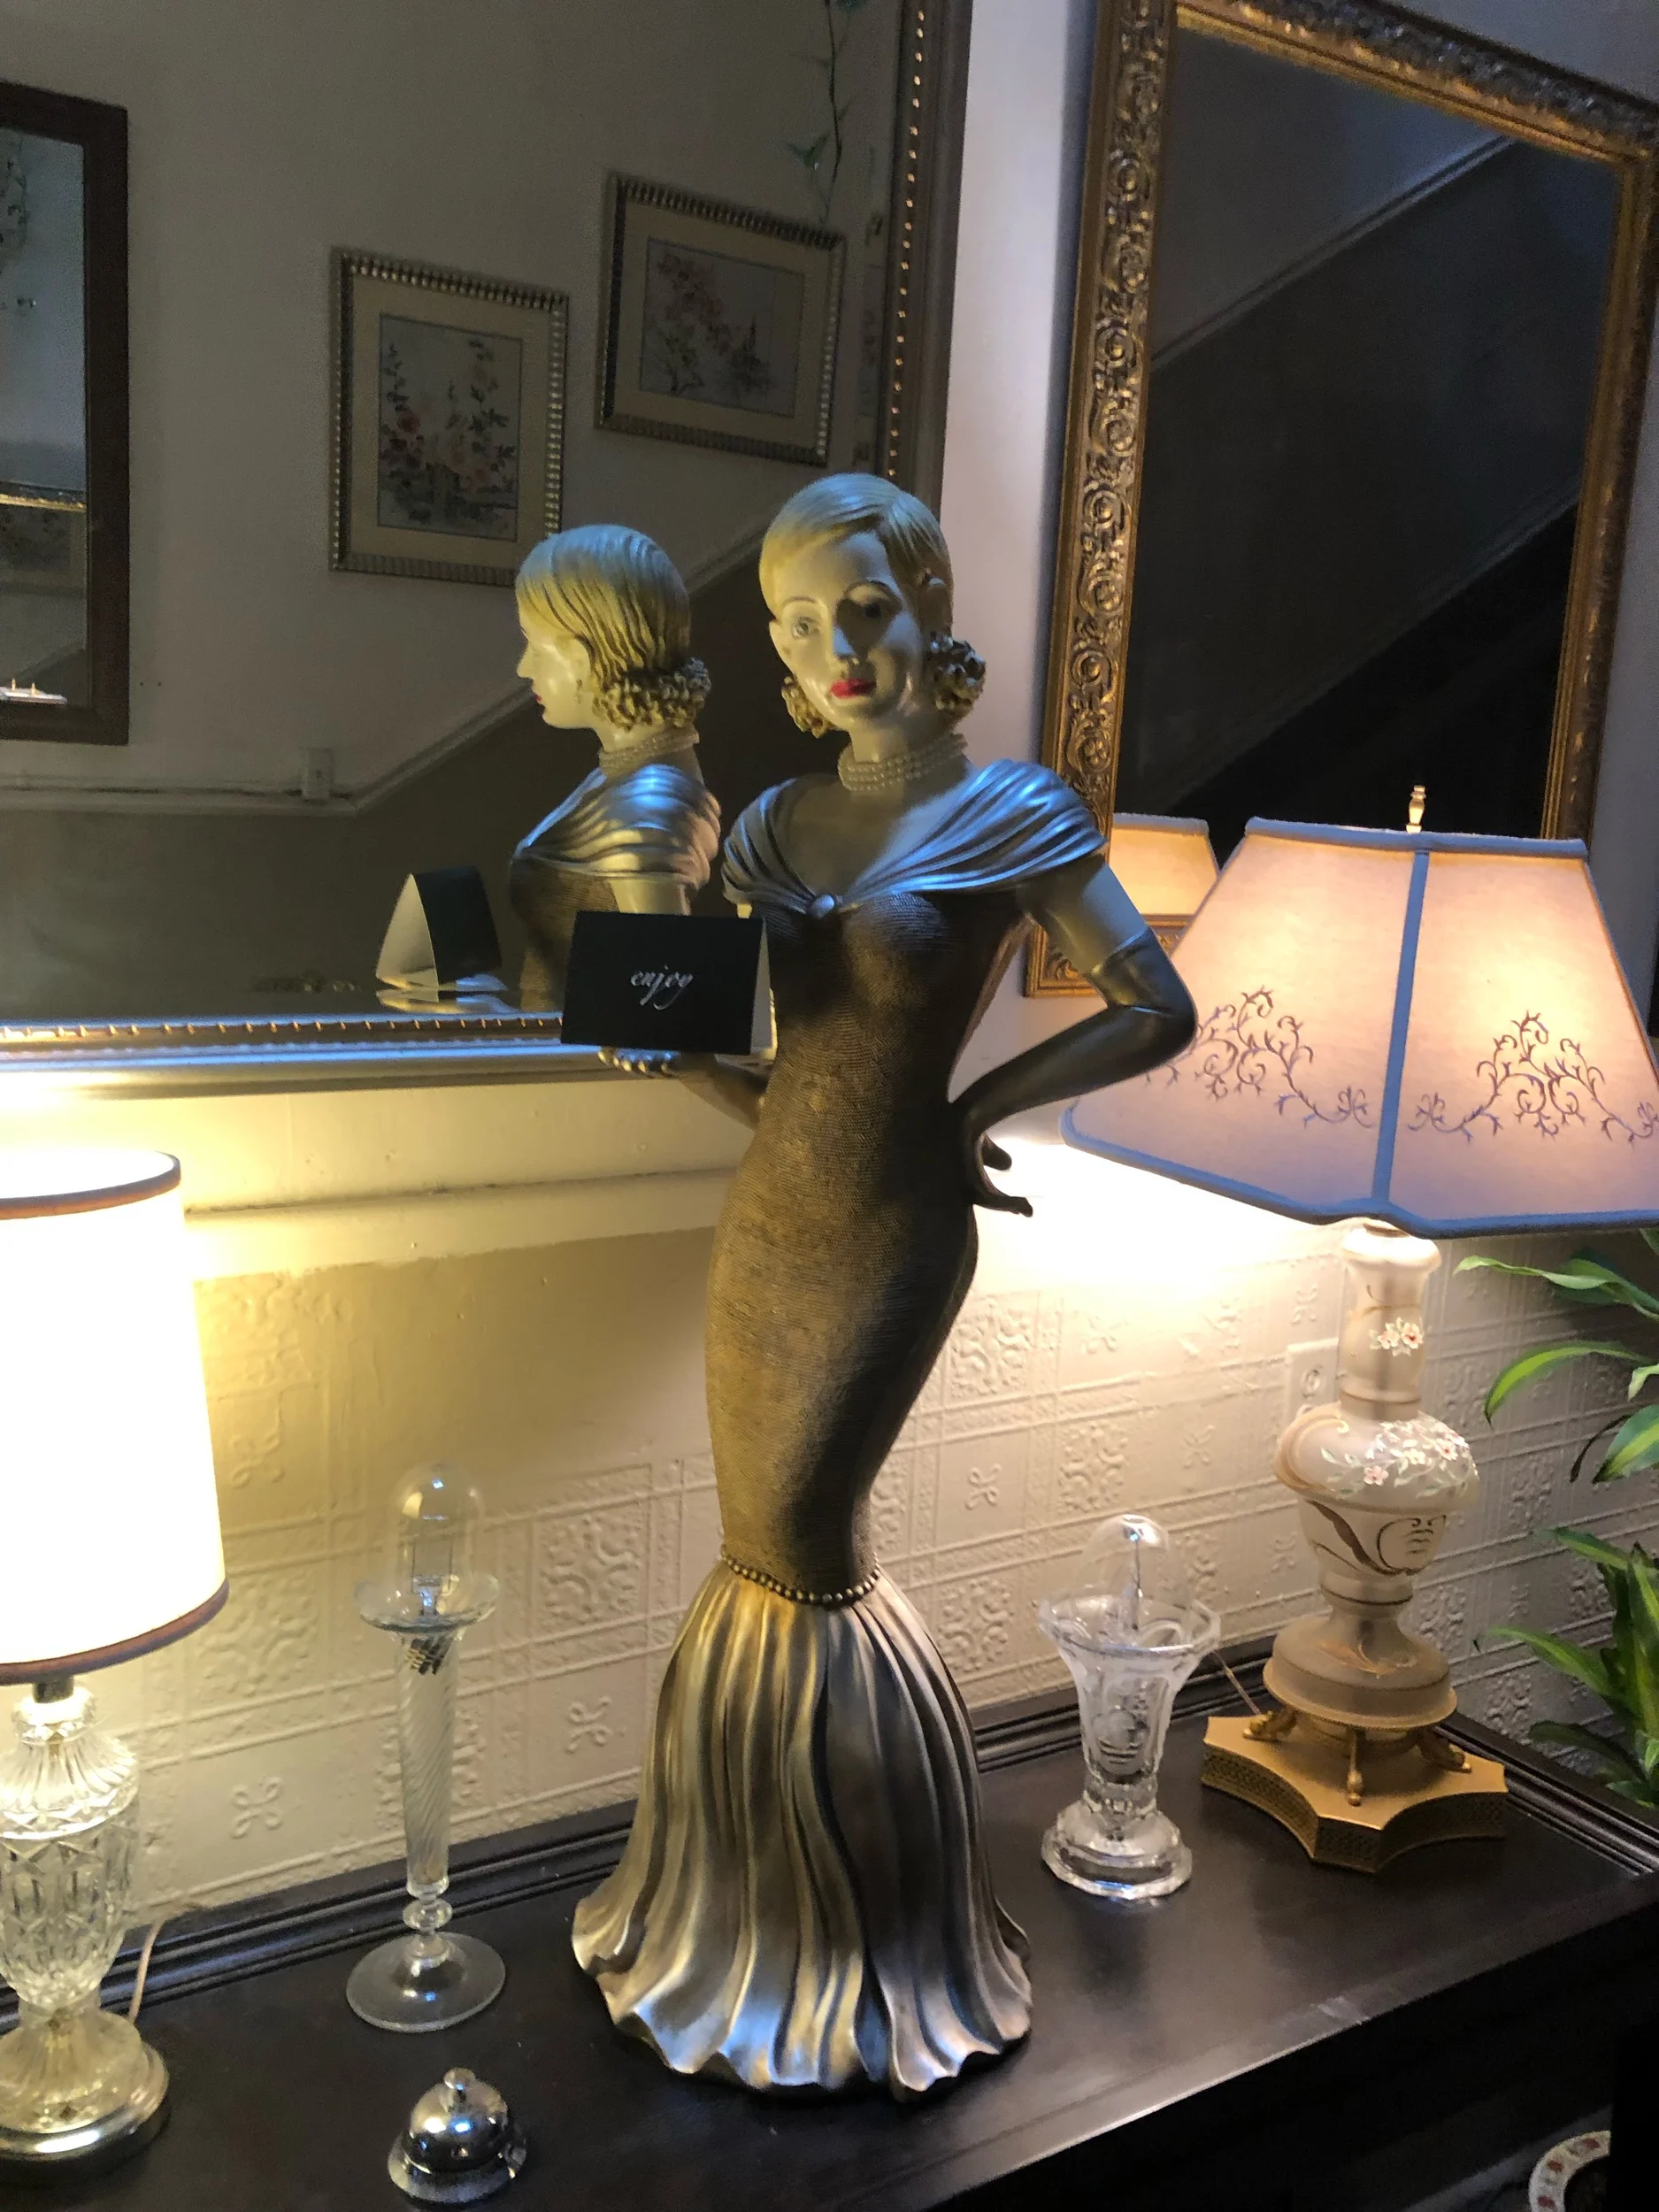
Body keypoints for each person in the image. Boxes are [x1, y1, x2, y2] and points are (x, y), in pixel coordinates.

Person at [573, 475, 1195, 2097]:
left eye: (862, 606)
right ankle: (720, 1918)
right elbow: (748, 1065)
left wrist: (977, 1106)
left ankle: (869, 1952)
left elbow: (1157, 1005)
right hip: (766, 1223)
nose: (836, 648)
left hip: (893, 1231)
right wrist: (639, 1028)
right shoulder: (769, 829)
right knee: (754, 1549)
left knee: (806, 1544)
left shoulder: (1017, 814)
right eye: (796, 624)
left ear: (927, 604)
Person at [509, 525, 719, 1010]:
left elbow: (663, 1010)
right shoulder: (624, 774)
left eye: (535, 646)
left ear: (583, 657)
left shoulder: (648, 805)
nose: (524, 667)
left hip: (586, 1056)